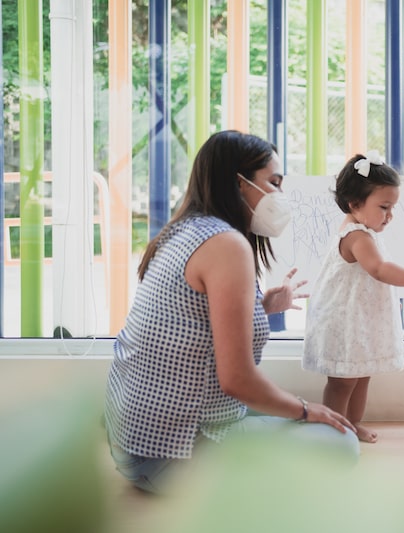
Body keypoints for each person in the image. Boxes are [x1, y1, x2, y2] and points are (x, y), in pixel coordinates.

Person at [104, 130, 360, 494]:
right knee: (341, 441)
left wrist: (264, 305)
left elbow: (194, 323)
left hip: (134, 442)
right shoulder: (227, 245)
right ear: (238, 184)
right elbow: (236, 380)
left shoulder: (185, 231)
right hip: (168, 457)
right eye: (273, 182)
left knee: (304, 414)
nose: (280, 195)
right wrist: (305, 410)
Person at [302, 151, 404, 443]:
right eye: (384, 207)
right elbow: (380, 270)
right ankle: (332, 430)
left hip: (358, 321)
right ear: (354, 204)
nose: (390, 215)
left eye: (392, 207)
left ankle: (351, 423)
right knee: (343, 382)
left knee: (360, 375)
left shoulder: (365, 230)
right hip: (345, 322)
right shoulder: (357, 236)